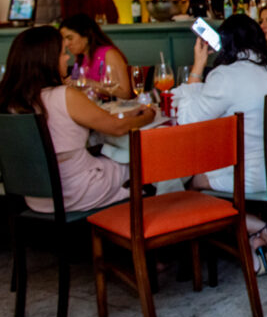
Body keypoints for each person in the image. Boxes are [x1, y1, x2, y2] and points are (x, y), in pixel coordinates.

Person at [175, 13, 267, 273]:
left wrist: (198, 66)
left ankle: (257, 227)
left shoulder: (226, 76)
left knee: (188, 182)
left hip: (258, 177)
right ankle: (258, 238)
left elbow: (187, 121)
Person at [0, 26, 155, 213]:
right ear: (46, 60)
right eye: (62, 53)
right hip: (78, 192)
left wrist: (127, 115)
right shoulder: (64, 95)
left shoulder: (12, 101)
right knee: (147, 164)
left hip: (36, 198)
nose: (68, 58)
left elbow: (95, 120)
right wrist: (148, 117)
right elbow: (117, 128)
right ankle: (156, 219)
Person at [60, 13, 133, 99]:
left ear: (86, 36)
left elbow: (125, 94)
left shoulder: (109, 54)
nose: (66, 44)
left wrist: (90, 83)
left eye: (70, 38)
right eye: (64, 39)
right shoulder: (80, 59)